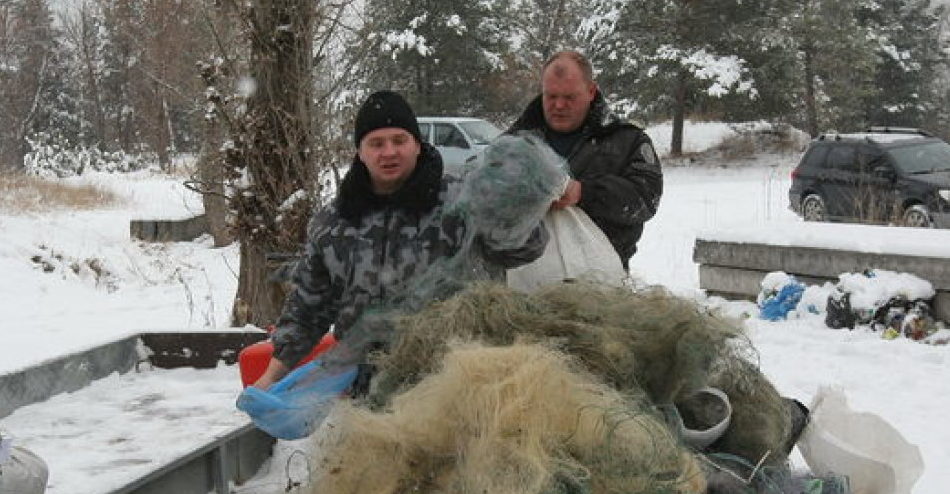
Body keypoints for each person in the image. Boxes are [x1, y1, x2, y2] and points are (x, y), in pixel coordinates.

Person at [252, 89, 547, 391]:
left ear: (418, 145)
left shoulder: (461, 201)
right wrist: (270, 377)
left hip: (453, 383)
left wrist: (515, 206)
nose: (389, 152)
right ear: (360, 151)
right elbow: (308, 308)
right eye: (376, 143)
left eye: (399, 140)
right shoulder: (332, 223)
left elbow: (523, 250)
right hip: (364, 391)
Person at [508, 50, 663, 270]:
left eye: (569, 97)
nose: (559, 105)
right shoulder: (514, 142)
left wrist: (584, 192)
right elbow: (475, 189)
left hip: (601, 286)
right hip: (525, 283)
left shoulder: (627, 140)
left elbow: (647, 198)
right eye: (551, 96)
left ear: (591, 91)